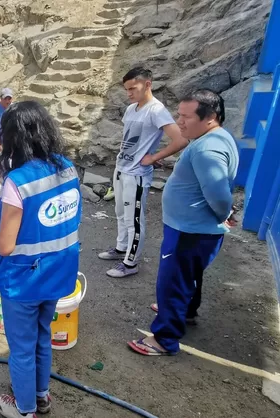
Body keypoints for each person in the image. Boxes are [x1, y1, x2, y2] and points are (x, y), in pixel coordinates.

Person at [0, 101, 81, 418]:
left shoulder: (17, 183)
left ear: (12, 139)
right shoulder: (67, 167)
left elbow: (5, 246)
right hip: (57, 273)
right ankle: (41, 395)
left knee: (21, 349)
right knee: (41, 337)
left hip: (24, 281)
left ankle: (25, 410)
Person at [128, 90, 239, 356]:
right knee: (189, 275)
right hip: (196, 229)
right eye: (179, 114)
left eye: (186, 116)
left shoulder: (207, 149)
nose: (179, 121)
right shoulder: (216, 138)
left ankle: (164, 339)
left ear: (210, 117)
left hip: (190, 230)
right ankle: (185, 311)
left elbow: (219, 195)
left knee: (173, 281)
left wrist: (223, 213)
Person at [98, 67, 188, 278]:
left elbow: (181, 139)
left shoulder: (156, 110)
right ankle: (121, 249)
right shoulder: (131, 109)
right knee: (120, 214)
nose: (129, 93)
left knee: (134, 220)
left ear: (148, 84)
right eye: (127, 89)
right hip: (121, 169)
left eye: (133, 88)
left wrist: (154, 157)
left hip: (137, 174)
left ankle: (131, 262)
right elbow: (133, 139)